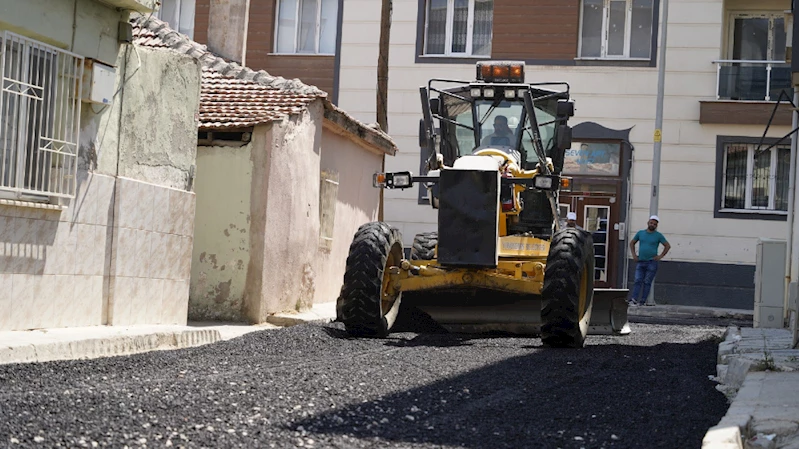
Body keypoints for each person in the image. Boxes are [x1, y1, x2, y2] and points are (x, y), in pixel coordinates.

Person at [629, 215, 671, 306]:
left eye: (655, 224)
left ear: (657, 226)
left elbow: (667, 246)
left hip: (652, 262)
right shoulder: (640, 233)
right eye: (651, 223)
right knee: (637, 280)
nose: (652, 225)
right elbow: (632, 243)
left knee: (647, 282)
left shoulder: (658, 235)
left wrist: (660, 256)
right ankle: (634, 299)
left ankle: (642, 301)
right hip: (640, 261)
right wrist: (634, 255)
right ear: (648, 223)